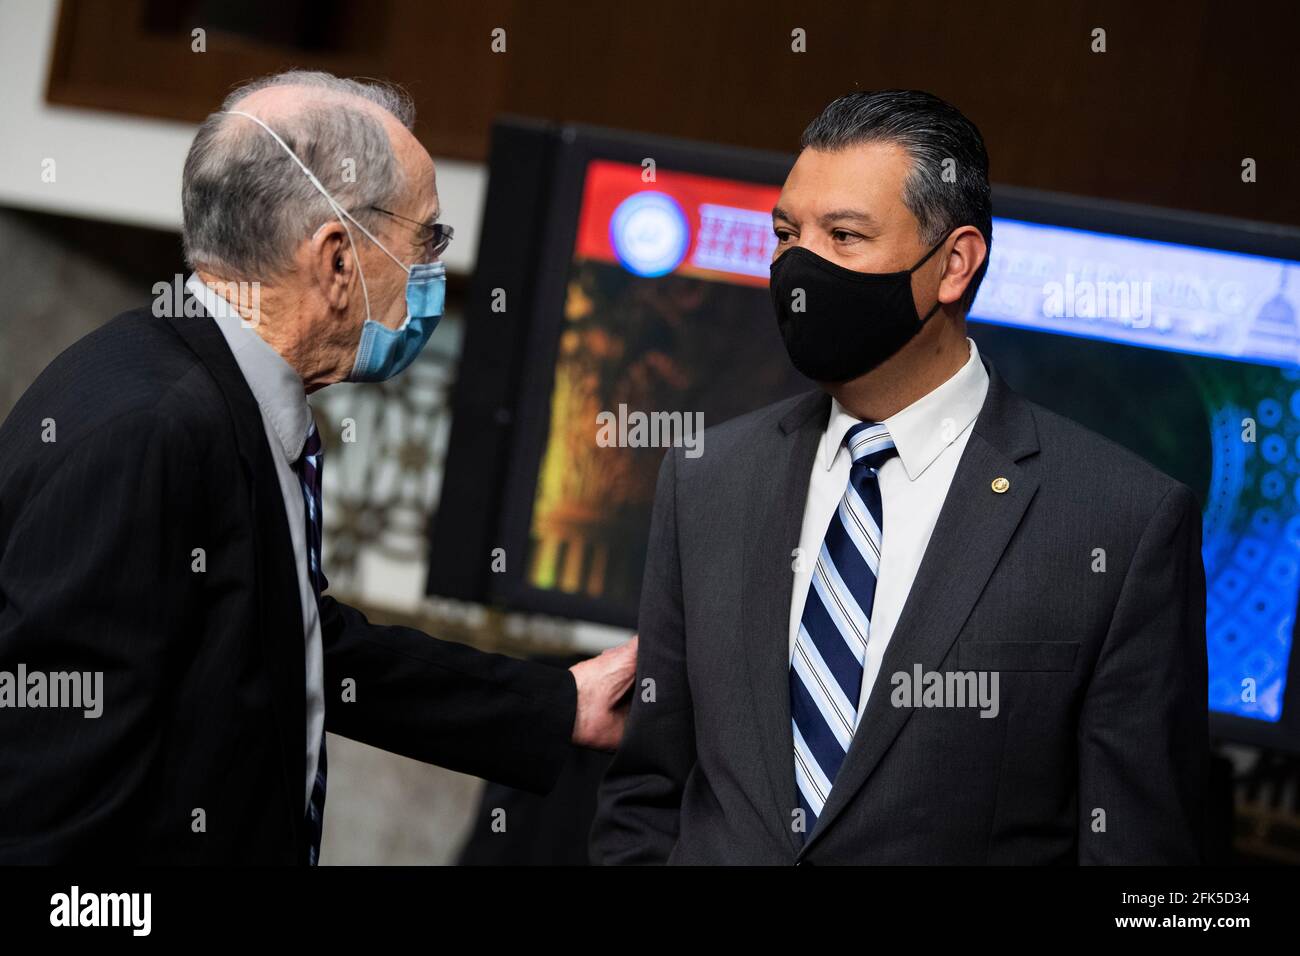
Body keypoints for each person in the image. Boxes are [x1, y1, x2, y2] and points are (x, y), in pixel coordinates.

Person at [0, 70, 636, 864]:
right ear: (336, 259)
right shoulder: (148, 431)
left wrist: (556, 704)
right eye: (426, 238)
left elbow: (294, 641)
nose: (433, 270)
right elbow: (47, 808)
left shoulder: (215, 391)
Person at [591, 89, 1207, 865]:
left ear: (954, 265)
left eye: (844, 236)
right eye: (786, 233)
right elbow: (647, 792)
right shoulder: (708, 477)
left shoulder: (1121, 521)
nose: (798, 266)